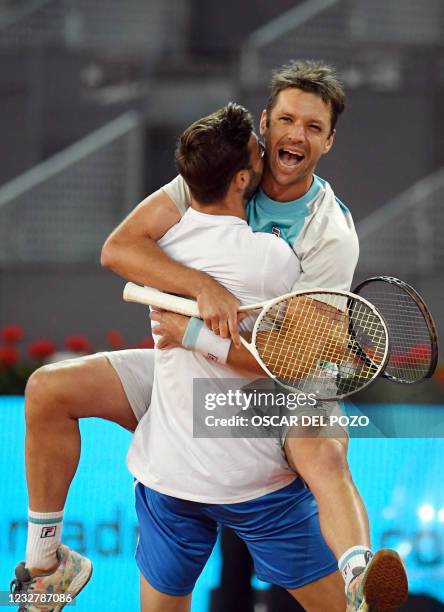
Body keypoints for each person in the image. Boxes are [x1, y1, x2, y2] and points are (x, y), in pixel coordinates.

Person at [11, 60, 407, 611]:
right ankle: (45, 563)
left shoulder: (327, 234)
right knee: (50, 389)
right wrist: (202, 287)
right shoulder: (220, 169)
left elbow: (294, 359)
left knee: (322, 443)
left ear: (329, 141)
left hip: (269, 389)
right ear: (265, 125)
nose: (297, 135)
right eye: (288, 120)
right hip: (186, 374)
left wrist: (196, 330)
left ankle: (359, 572)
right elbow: (119, 249)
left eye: (313, 127)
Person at [129, 101, 346, 612]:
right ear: (244, 178)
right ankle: (357, 562)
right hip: (254, 481)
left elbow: (117, 249)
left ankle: (44, 554)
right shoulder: (275, 259)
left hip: (170, 476)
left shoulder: (160, 244)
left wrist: (193, 314)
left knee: (52, 390)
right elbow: (295, 360)